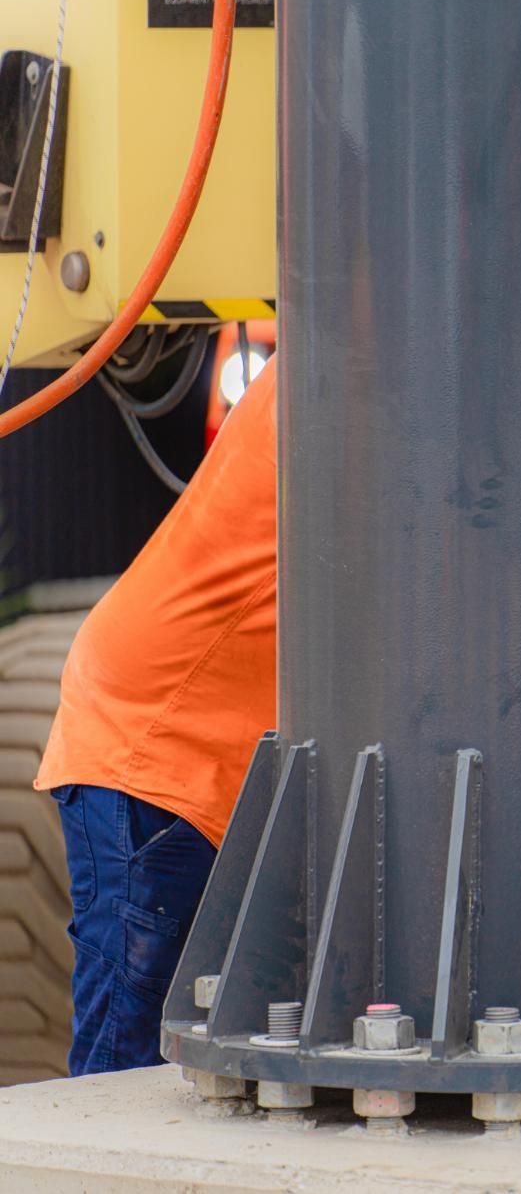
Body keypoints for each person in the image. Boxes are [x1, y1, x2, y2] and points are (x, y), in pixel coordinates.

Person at [34, 365, 278, 1075]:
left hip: (184, 737)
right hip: (150, 740)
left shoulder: (340, 361)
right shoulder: (347, 378)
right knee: (126, 1062)